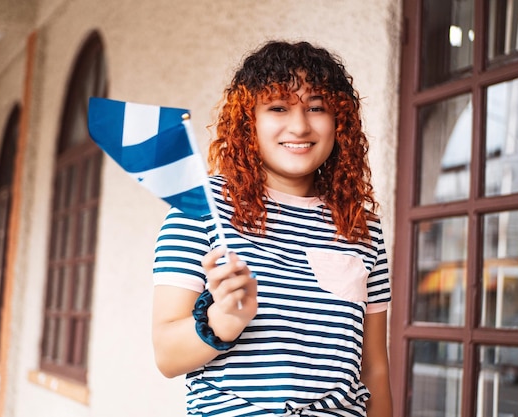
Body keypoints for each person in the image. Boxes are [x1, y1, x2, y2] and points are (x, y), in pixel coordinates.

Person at [152, 40, 393, 417]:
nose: (299, 126)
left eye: (316, 108)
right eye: (278, 107)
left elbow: (374, 366)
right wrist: (224, 320)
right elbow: (166, 355)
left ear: (339, 122)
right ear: (250, 121)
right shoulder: (200, 207)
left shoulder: (362, 227)